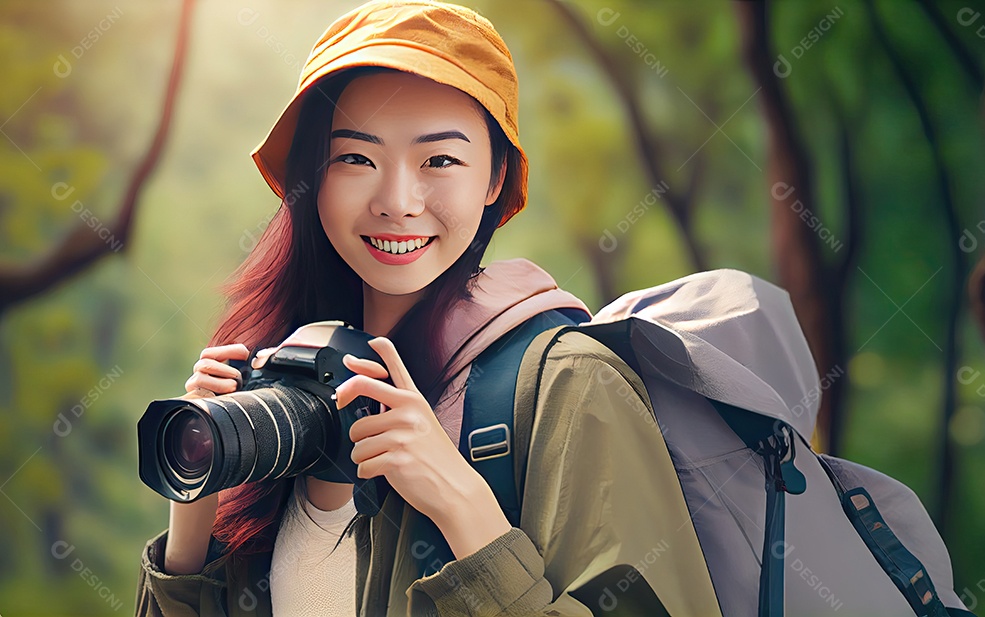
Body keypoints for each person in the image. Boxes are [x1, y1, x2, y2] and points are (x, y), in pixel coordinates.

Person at [135, 2, 720, 615]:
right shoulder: (278, 393)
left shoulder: (567, 387)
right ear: (317, 175)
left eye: (439, 159)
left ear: (495, 177)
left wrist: (467, 512)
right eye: (356, 158)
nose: (396, 201)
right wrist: (195, 508)